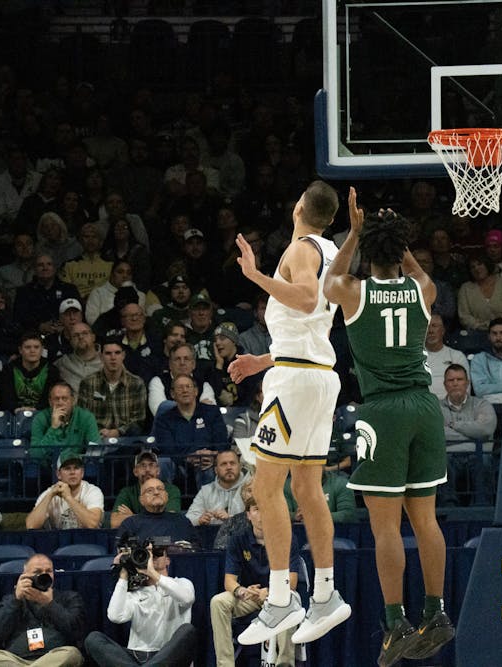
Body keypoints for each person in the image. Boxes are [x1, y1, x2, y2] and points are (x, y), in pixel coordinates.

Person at [323, 191, 454, 665]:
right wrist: (396, 241)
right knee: (426, 520)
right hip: (425, 407)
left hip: (383, 412)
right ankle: (436, 612)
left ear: (368, 252)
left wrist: (355, 232)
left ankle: (396, 622)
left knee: (385, 528)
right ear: (400, 250)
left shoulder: (353, 293)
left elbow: (330, 279)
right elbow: (416, 272)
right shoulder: (424, 289)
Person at [227, 180, 351, 647]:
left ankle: (281, 598)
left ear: (300, 207)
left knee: (265, 487)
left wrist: (255, 275)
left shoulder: (300, 249)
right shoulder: (332, 250)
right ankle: (325, 594)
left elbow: (304, 300)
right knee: (306, 488)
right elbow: (311, 325)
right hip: (317, 375)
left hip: (296, 382)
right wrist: (263, 361)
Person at [209, 496, 304, 667]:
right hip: (250, 597)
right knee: (218, 602)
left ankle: (285, 664)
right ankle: (225, 664)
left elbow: (292, 581)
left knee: (289, 599)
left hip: (277, 596)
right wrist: (241, 591)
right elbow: (229, 581)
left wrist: (269, 592)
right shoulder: (238, 539)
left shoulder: (286, 537)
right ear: (248, 515)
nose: (262, 515)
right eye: (256, 509)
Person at [84, 544, 197, 667]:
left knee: (187, 630)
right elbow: (115, 616)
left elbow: (187, 598)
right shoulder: (135, 593)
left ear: (167, 561)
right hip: (138, 657)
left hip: (169, 656)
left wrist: (152, 572)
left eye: (157, 553)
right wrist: (123, 576)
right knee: (93, 639)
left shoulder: (182, 583)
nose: (151, 557)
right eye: (147, 554)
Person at [0, 553, 84, 666]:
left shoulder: (69, 597)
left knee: (72, 654)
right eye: (37, 572)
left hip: (53, 657)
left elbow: (75, 632)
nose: (44, 575)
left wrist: (50, 604)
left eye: (48, 571)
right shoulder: (11, 599)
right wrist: (16, 600)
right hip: (16, 660)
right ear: (25, 575)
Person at [439, 363, 497, 506]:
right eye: (451, 380)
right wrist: (472, 434)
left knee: (484, 460)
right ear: (445, 385)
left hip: (477, 455)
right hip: (449, 456)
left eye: (459, 379)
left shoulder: (482, 404)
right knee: (440, 461)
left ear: (467, 383)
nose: (455, 383)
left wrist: (454, 425)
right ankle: (448, 508)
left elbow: (485, 430)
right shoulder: (435, 407)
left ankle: (482, 506)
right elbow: (434, 433)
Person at [78, 340, 147, 438]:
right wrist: (98, 433)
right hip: (95, 437)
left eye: (117, 353)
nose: (113, 357)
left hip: (127, 438)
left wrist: (117, 432)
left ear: (123, 355)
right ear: (101, 357)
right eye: (108, 353)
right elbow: (82, 417)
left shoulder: (136, 383)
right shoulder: (88, 383)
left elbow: (139, 420)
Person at [25, 452, 105, 530]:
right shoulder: (50, 493)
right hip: (59, 538)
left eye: (76, 468)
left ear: (82, 473)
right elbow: (31, 526)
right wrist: (49, 496)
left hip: (88, 538)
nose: (72, 472)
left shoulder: (92, 492)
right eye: (67, 468)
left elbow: (92, 524)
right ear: (58, 474)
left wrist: (68, 497)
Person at [29, 382, 100, 466]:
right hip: (48, 469)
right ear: (50, 402)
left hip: (77, 467)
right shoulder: (40, 419)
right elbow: (35, 455)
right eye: (56, 399)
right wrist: (53, 428)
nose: (60, 403)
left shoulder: (86, 417)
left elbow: (95, 451)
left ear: (73, 400)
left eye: (65, 398)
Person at [116, 477, 197, 548]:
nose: (156, 493)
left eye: (160, 489)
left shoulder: (182, 521)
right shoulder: (130, 524)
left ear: (166, 496)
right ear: (141, 500)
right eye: (150, 490)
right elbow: (120, 553)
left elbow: (197, 549)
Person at [110, 451, 182, 530]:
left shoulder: (170, 490)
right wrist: (155, 519)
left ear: (158, 470)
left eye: (151, 465)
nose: (147, 469)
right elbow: (115, 523)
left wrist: (133, 517)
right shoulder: (127, 492)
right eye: (143, 465)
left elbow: (170, 521)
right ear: (135, 472)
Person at [185, 447, 252, 526]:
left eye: (232, 463)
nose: (229, 467)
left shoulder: (251, 487)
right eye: (224, 464)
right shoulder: (206, 490)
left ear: (240, 466)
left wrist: (230, 519)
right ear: (216, 470)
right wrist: (199, 520)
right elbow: (189, 518)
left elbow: (258, 516)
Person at [424, 314, 468, 400]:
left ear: (443, 330)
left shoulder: (457, 356)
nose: (430, 331)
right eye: (427, 327)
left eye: (434, 326)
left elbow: (465, 389)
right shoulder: (416, 358)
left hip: (452, 405)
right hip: (425, 405)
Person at [470, 317, 502, 405]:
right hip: (486, 406)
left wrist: (490, 387)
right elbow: (479, 390)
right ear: (489, 336)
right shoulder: (478, 359)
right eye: (494, 333)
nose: (498, 337)